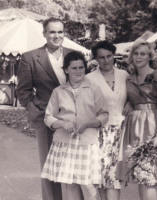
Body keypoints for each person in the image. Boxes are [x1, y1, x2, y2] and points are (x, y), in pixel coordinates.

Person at [16, 17, 83, 200]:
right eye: (52, 32)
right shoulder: (30, 57)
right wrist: (37, 113)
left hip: (76, 120)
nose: (56, 36)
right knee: (50, 168)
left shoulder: (74, 54)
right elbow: (23, 91)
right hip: (47, 120)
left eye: (60, 32)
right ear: (44, 33)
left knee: (77, 167)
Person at [41, 51, 108, 200]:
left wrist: (89, 123)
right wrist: (62, 123)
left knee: (88, 185)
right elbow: (48, 117)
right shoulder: (58, 91)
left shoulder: (93, 89)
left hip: (87, 142)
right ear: (66, 70)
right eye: (74, 68)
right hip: (65, 143)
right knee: (69, 185)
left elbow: (104, 115)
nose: (78, 71)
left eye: (81, 67)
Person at [118, 39, 157, 200]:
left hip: (151, 126)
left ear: (150, 57)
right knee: (139, 176)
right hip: (134, 127)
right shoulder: (130, 77)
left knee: (148, 177)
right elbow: (132, 97)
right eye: (136, 53)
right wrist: (129, 102)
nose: (139, 57)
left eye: (143, 54)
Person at [86, 40, 129, 200]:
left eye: (109, 56)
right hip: (99, 133)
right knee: (100, 176)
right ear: (96, 59)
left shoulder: (124, 75)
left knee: (113, 176)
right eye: (101, 57)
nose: (105, 61)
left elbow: (134, 95)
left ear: (114, 56)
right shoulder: (89, 79)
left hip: (121, 132)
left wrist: (130, 104)